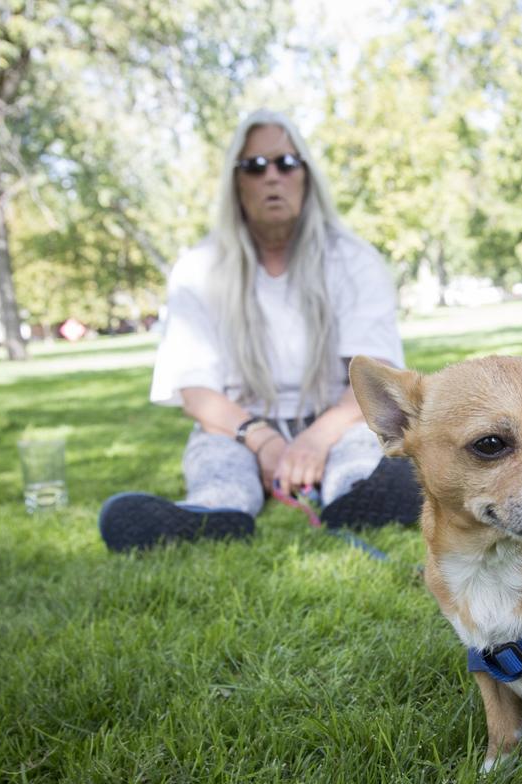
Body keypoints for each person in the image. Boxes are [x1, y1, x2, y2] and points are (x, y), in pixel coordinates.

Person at [99, 109, 420, 552]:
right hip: (238, 425)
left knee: (356, 461)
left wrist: (315, 439)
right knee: (221, 473)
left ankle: (359, 494)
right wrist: (263, 440)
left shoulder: (354, 260)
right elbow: (195, 390)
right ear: (237, 182)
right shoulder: (198, 268)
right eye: (255, 166)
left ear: (306, 176)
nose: (272, 176)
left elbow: (374, 374)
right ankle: (209, 516)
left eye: (286, 163)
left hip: (336, 418)